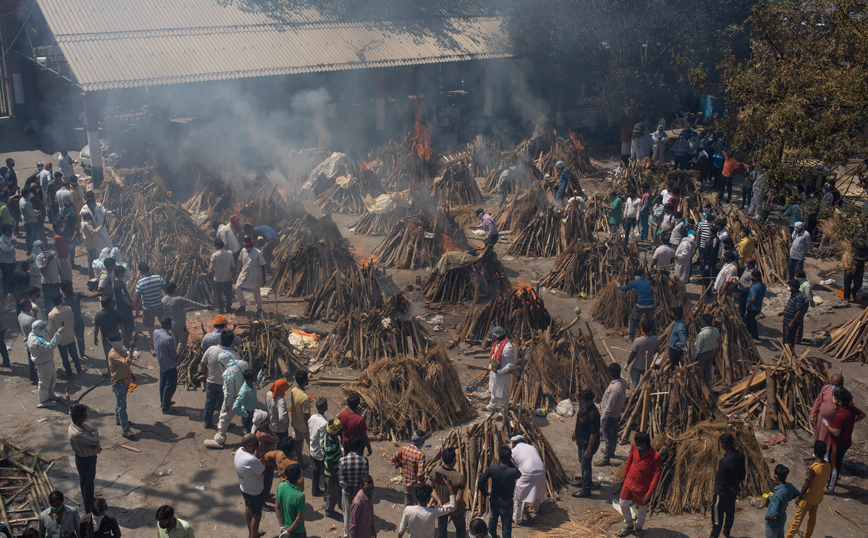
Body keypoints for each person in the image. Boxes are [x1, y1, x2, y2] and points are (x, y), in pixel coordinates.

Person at [616, 432, 661, 537]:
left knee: (642, 509)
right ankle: (629, 524)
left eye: (637, 444)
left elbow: (656, 476)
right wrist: (625, 475)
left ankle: (639, 527)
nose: (635, 445)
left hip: (643, 487)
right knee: (623, 503)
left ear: (644, 444)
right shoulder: (634, 448)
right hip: (630, 481)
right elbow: (630, 460)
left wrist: (649, 493)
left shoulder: (655, 457)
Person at [785, 441, 830, 538]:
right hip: (818, 497)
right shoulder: (828, 466)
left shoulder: (812, 469)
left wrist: (799, 497)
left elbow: (806, 486)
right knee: (812, 520)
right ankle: (807, 536)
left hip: (808, 499)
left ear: (814, 452)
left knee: (796, 523)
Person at [823, 388, 864, 493]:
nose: (834, 400)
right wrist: (851, 422)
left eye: (835, 399)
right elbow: (862, 415)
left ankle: (830, 488)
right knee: (838, 462)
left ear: (840, 402)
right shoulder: (851, 409)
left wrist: (827, 425)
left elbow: (836, 432)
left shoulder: (840, 415)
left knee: (834, 466)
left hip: (837, 443)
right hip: (847, 442)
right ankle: (833, 479)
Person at [477, 446, 519, 538]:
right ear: (510, 458)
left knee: (492, 523)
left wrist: (485, 493)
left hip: (495, 501)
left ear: (499, 457)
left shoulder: (492, 469)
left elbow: (480, 482)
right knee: (506, 527)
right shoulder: (513, 471)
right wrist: (510, 462)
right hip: (507, 503)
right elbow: (519, 474)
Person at [709, 433, 745, 538]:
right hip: (733, 491)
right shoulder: (740, 455)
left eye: (721, 443)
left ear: (724, 445)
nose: (720, 445)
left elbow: (721, 480)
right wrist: (736, 485)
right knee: (730, 514)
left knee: (716, 519)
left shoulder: (724, 461)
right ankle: (726, 532)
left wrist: (722, 489)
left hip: (722, 493)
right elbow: (743, 473)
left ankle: (713, 536)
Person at [200, 330, 239, 428]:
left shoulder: (211, 349)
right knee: (223, 405)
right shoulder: (234, 354)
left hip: (211, 381)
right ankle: (223, 424)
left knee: (209, 402)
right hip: (224, 384)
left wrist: (205, 375)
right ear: (231, 342)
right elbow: (235, 371)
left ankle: (207, 422)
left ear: (220, 339)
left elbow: (202, 363)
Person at [426, 447, 466, 538]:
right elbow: (458, 499)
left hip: (440, 508)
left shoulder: (436, 470)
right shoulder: (459, 477)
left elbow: (430, 488)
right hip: (456, 509)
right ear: (453, 461)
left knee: (442, 528)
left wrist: (439, 501)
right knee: (460, 528)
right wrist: (448, 505)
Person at [161, 282, 210, 354]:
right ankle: (177, 357)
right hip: (179, 324)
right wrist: (205, 306)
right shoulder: (178, 299)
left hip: (170, 323)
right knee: (183, 341)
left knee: (175, 340)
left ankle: (172, 354)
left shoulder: (164, 300)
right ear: (174, 290)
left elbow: (165, 311)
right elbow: (192, 303)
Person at [69, 404, 101, 513]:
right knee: (87, 485)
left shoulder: (81, 426)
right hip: (85, 461)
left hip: (89, 458)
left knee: (89, 482)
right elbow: (95, 440)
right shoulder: (77, 433)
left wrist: (93, 436)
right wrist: (95, 436)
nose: (86, 417)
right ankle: (89, 509)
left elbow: (92, 430)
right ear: (79, 418)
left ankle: (91, 500)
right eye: (84, 415)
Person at [235, 433, 266, 538]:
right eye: (255, 445)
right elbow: (263, 471)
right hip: (255, 491)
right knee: (256, 516)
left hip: (244, 488)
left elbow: (254, 463)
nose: (256, 447)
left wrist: (256, 452)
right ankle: (253, 536)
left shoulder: (239, 451)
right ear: (249, 445)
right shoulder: (251, 460)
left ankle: (252, 533)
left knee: (248, 508)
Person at [509, 436, 544, 525]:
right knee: (537, 490)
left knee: (519, 495)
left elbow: (510, 466)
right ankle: (537, 509)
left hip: (528, 472)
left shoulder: (514, 451)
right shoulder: (531, 447)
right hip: (541, 470)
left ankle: (517, 519)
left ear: (513, 443)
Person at [28, 320, 64, 407]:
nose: (45, 329)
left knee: (52, 378)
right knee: (44, 383)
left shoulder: (37, 333)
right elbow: (50, 346)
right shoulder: (36, 341)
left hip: (48, 361)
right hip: (43, 364)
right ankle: (43, 401)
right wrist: (58, 334)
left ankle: (50, 395)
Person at [572, 390, 600, 498]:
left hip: (587, 444)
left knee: (586, 465)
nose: (580, 403)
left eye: (582, 401)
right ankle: (584, 481)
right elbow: (578, 419)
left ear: (589, 402)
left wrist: (589, 450)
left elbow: (594, 434)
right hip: (581, 441)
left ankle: (586, 489)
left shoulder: (593, 414)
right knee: (582, 462)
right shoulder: (583, 409)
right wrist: (575, 431)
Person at [340, 436, 370, 538]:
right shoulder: (364, 461)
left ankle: (347, 535)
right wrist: (356, 492)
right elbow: (364, 480)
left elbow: (342, 481)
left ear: (348, 446)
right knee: (360, 516)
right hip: (360, 494)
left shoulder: (342, 461)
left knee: (347, 516)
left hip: (347, 494)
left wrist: (350, 493)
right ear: (359, 447)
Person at [107, 333, 136, 438]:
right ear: (114, 341)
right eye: (119, 339)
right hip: (119, 383)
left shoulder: (121, 349)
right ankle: (125, 429)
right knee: (122, 406)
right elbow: (126, 362)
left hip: (124, 380)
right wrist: (131, 349)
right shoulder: (114, 354)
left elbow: (126, 367)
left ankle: (118, 419)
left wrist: (131, 374)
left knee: (119, 402)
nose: (121, 339)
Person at [483, 326, 515, 419]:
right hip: (494, 372)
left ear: (497, 336)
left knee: (503, 394)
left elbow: (511, 364)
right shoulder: (497, 343)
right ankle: (491, 406)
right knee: (493, 390)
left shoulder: (507, 348)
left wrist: (500, 371)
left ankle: (503, 411)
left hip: (502, 375)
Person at [47, 293, 82, 377]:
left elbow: (52, 329)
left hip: (60, 339)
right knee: (74, 354)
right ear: (61, 300)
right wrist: (71, 330)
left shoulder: (51, 314)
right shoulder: (68, 309)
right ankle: (79, 370)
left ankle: (69, 373)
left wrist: (53, 339)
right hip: (70, 335)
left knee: (64, 357)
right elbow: (72, 321)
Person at [134, 263, 167, 349]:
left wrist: (136, 309)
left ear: (140, 272)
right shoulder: (158, 278)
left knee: (150, 326)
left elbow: (137, 298)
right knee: (163, 322)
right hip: (160, 306)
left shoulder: (140, 283)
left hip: (148, 308)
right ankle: (166, 338)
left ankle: (154, 341)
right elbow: (166, 290)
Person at [600, 363, 627, 467]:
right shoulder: (623, 382)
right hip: (617, 413)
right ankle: (611, 451)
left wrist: (602, 419)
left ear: (610, 373)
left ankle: (606, 458)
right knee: (614, 434)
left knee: (608, 438)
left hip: (610, 416)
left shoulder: (615, 389)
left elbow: (609, 406)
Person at [61, 280, 95, 360]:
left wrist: (99, 293)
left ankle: (82, 354)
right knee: (70, 341)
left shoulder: (76, 294)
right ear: (64, 289)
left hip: (78, 322)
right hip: (68, 324)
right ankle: (73, 357)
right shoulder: (61, 300)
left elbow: (89, 296)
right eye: (69, 287)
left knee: (80, 339)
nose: (71, 288)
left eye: (71, 286)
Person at [392, 431, 428, 506]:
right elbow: (420, 474)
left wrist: (401, 465)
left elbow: (393, 459)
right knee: (419, 505)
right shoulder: (420, 455)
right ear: (422, 441)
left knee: (408, 505)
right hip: (415, 485)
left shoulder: (404, 449)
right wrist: (421, 483)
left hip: (406, 482)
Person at [153, 317, 179, 414]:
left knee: (163, 383)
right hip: (169, 365)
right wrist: (178, 357)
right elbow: (173, 355)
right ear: (168, 325)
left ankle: (163, 401)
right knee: (170, 385)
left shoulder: (156, 332)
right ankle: (165, 407)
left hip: (162, 362)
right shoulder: (168, 338)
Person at [810, 374, 844, 449]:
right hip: (820, 418)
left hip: (832, 422)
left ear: (842, 384)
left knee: (827, 439)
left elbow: (849, 410)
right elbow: (818, 401)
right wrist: (813, 414)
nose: (834, 387)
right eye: (832, 384)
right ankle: (817, 452)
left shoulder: (844, 394)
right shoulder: (826, 388)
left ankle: (825, 454)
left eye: (836, 385)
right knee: (818, 435)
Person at [765, 465, 799, 538]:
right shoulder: (789, 486)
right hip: (782, 518)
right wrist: (787, 498)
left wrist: (767, 517)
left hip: (773, 523)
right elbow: (796, 493)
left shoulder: (778, 494)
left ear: (776, 476)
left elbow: (773, 512)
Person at [619, 270, 655, 340]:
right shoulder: (648, 282)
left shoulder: (635, 282)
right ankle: (653, 336)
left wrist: (619, 286)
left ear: (636, 276)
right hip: (650, 304)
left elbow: (624, 288)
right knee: (651, 321)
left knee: (633, 319)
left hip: (641, 304)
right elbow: (644, 289)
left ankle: (631, 337)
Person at [93, 296, 123, 377]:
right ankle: (119, 370)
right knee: (118, 354)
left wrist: (95, 338)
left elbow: (96, 329)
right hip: (116, 337)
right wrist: (123, 334)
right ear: (109, 304)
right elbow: (121, 325)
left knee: (108, 355)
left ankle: (111, 372)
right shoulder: (116, 313)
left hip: (106, 339)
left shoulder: (98, 315)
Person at [235, 236, 266, 314]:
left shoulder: (258, 253)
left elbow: (263, 265)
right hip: (244, 273)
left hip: (255, 275)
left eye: (248, 246)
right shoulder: (243, 251)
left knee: (256, 292)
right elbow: (240, 261)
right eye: (246, 246)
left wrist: (263, 278)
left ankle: (259, 308)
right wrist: (238, 271)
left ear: (252, 245)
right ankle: (242, 305)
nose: (247, 248)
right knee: (237, 287)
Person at [276, 464, 306, 538]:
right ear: (298, 477)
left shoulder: (280, 486)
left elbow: (277, 507)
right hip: (297, 530)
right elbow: (298, 519)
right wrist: (288, 531)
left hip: (285, 526)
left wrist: (282, 526)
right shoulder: (300, 496)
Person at [626, 320, 658, 389]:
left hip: (637, 366)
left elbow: (632, 355)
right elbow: (657, 351)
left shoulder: (638, 341)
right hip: (647, 366)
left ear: (642, 329)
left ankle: (633, 395)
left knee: (634, 383)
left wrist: (627, 364)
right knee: (646, 383)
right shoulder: (655, 339)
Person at [778, 280, 808, 352]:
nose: (789, 288)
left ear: (793, 287)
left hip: (791, 322)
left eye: (789, 286)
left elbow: (799, 311)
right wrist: (783, 312)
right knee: (786, 338)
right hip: (787, 320)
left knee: (789, 339)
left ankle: (789, 354)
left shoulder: (799, 297)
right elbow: (791, 306)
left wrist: (792, 322)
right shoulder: (793, 294)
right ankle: (786, 353)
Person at [309, 397, 330, 497]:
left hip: (312, 449)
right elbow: (323, 442)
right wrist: (325, 454)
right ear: (325, 407)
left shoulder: (312, 418)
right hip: (320, 454)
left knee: (315, 472)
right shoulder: (324, 423)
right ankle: (326, 493)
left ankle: (315, 490)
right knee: (325, 473)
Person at [693, 314, 720, 389]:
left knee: (699, 373)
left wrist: (693, 357)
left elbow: (697, 348)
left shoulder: (702, 334)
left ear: (703, 322)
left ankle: (701, 389)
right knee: (707, 371)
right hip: (711, 353)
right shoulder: (716, 330)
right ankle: (707, 387)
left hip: (703, 355)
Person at [290, 370, 312, 462]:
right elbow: (306, 415)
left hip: (295, 424)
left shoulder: (293, 391)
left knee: (298, 444)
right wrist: (309, 427)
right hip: (304, 427)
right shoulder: (305, 398)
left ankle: (300, 462)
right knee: (311, 445)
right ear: (304, 382)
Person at [323, 419, 344, 515]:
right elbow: (330, 463)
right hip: (332, 473)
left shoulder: (329, 437)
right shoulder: (331, 446)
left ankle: (340, 504)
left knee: (332, 490)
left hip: (332, 471)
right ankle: (329, 510)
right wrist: (335, 478)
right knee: (332, 493)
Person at [209, 239, 235, 313]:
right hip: (228, 277)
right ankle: (228, 307)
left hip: (218, 278)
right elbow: (233, 265)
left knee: (218, 294)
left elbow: (211, 268)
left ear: (216, 246)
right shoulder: (229, 253)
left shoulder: (214, 255)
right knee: (228, 293)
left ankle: (221, 308)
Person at [233, 368, 260, 433]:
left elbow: (258, 380)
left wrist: (262, 370)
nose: (256, 377)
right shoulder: (244, 391)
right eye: (255, 376)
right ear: (251, 379)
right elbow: (235, 407)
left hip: (255, 414)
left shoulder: (252, 384)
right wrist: (246, 414)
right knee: (249, 435)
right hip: (248, 419)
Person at [80, 212, 102, 277]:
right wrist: (101, 226)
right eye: (88, 215)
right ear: (86, 216)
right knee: (92, 261)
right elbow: (94, 232)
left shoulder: (83, 223)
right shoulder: (87, 224)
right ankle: (92, 275)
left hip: (88, 243)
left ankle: (91, 275)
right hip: (92, 244)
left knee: (90, 260)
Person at [746, 270, 766, 339]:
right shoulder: (763, 286)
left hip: (752, 308)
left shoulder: (755, 287)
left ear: (755, 278)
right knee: (754, 323)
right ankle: (755, 335)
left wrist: (748, 305)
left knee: (750, 323)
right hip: (758, 307)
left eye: (752, 277)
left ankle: (752, 336)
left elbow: (753, 299)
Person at [20, 188, 40, 255]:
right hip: (29, 221)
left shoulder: (24, 200)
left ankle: (33, 248)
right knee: (29, 236)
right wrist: (37, 214)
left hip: (29, 220)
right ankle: (29, 250)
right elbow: (29, 214)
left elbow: (30, 209)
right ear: (26, 194)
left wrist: (35, 210)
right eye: (28, 193)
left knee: (32, 235)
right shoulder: (24, 203)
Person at [0, 224, 16, 296]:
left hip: (12, 261)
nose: (11, 232)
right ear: (6, 231)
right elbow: (7, 250)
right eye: (10, 230)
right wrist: (13, 244)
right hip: (5, 262)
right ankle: (5, 293)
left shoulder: (9, 238)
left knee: (12, 278)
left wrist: (14, 243)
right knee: (6, 279)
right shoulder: (2, 240)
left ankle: (11, 292)